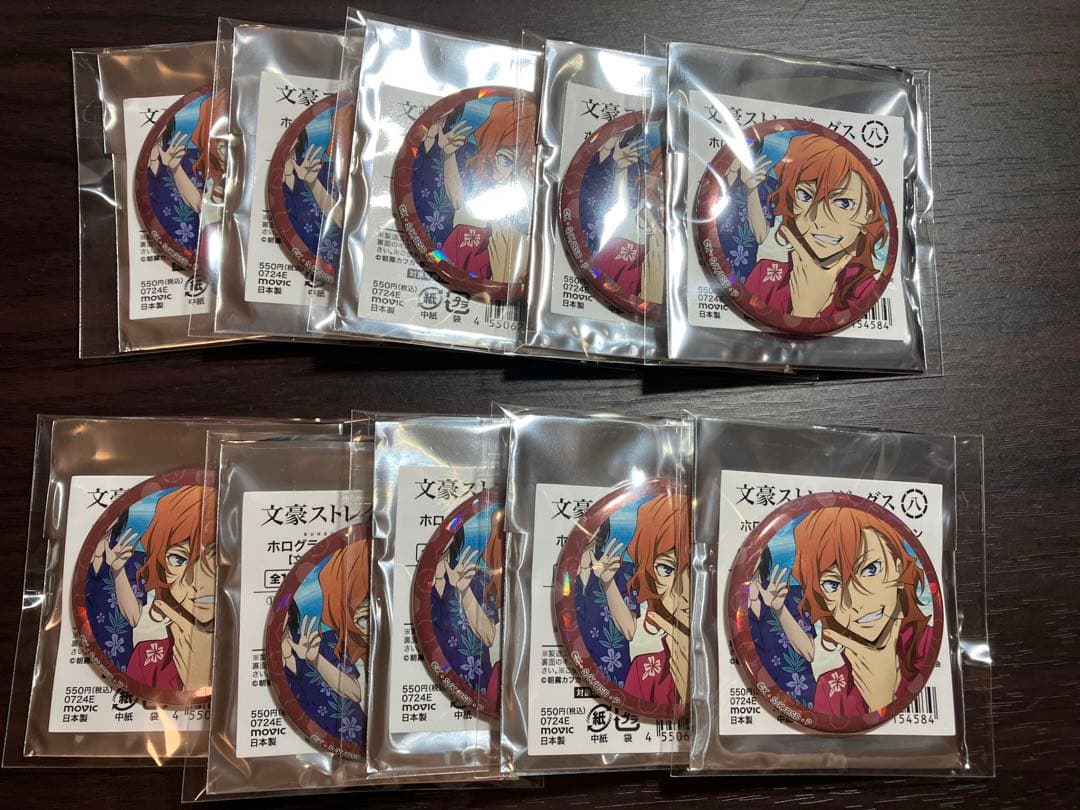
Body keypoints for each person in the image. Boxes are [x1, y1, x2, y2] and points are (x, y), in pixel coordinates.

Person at [791, 506, 933, 715]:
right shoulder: (830, 690)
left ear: (898, 567)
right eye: (832, 584)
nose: (856, 602)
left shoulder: (934, 650)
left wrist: (882, 701)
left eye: (870, 569)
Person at [742, 133, 888, 319]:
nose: (819, 219)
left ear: (868, 217)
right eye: (805, 196)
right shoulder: (764, 276)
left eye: (844, 203)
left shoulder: (867, 292)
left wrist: (806, 310)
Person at [95, 485, 217, 693]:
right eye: (178, 559)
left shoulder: (248, 651)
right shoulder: (146, 660)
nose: (200, 582)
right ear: (160, 569)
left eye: (217, 558)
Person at [602, 492, 691, 707]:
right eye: (667, 569)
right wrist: (608, 583)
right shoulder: (644, 669)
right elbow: (630, 629)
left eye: (699, 571)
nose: (686, 592)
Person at [436, 97, 537, 284]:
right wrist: (448, 155)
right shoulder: (462, 241)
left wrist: (505, 277)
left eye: (531, 167)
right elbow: (458, 201)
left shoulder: (551, 257)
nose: (516, 176)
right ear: (490, 157)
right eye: (506, 160)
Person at [431, 510, 503, 697]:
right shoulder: (415, 583)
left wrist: (464, 591)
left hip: (476, 690)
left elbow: (488, 636)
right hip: (429, 684)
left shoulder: (474, 574)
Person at [746, 546, 816, 704]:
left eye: (753, 551)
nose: (747, 558)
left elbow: (809, 652)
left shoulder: (790, 593)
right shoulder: (734, 605)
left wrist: (779, 609)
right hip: (755, 700)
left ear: (762, 556)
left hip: (800, 700)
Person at [575, 518, 637, 687]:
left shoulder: (622, 569)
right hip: (569, 673)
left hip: (614, 679)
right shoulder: (562, 572)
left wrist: (608, 582)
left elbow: (629, 631)